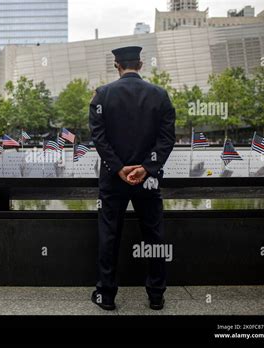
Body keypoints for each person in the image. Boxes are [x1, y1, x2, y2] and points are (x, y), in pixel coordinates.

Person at [89, 46, 176, 311]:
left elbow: (99, 138)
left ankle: (107, 296)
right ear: (140, 65)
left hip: (114, 181)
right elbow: (166, 139)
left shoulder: (102, 95)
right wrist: (146, 168)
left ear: (117, 66)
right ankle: (156, 296)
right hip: (147, 180)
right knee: (154, 235)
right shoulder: (160, 95)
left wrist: (119, 169)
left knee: (109, 235)